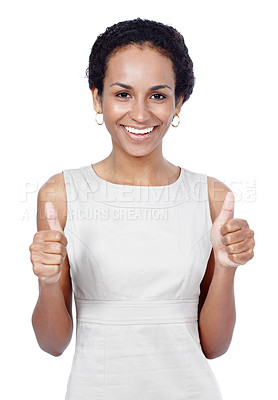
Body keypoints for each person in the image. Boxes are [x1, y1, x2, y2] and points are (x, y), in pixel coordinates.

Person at [29, 18, 255, 399]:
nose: (139, 114)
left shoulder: (212, 197)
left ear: (178, 102)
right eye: (122, 94)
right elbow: (53, 344)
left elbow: (215, 347)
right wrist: (49, 284)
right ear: (97, 98)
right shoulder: (61, 194)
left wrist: (227, 270)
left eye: (157, 95)